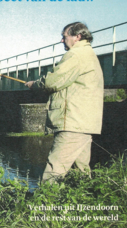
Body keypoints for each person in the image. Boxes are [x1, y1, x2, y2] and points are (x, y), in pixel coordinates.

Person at [25, 22, 104, 182]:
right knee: (81, 173)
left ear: (77, 36)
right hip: (83, 123)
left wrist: (35, 85)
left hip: (73, 123)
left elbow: (52, 82)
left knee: (53, 172)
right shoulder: (89, 54)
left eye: (64, 36)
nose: (62, 40)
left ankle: (44, 204)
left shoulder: (76, 55)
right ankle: (86, 202)